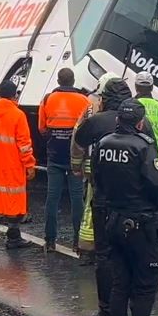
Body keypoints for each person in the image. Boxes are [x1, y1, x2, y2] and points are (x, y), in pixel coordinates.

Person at [92, 99, 158, 316]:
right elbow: (156, 185)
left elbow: (97, 180)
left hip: (112, 219)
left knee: (120, 283)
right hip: (139, 222)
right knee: (146, 283)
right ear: (139, 122)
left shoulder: (102, 145)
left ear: (117, 121)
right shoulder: (144, 146)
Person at [72, 77, 151, 316]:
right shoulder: (143, 124)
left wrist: (80, 170)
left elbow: (78, 144)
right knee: (135, 254)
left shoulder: (94, 122)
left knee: (105, 254)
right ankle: (132, 307)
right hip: (134, 201)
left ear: (104, 99)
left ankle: (107, 308)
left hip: (102, 197)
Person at [0, 80, 36, 249]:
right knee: (13, 199)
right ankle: (13, 237)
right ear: (14, 95)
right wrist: (29, 164)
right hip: (11, 164)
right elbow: (24, 144)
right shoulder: (17, 115)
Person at [38, 68, 91, 252]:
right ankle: (77, 241)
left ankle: (50, 241)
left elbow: (42, 129)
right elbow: (87, 128)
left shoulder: (47, 100)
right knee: (77, 198)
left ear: (58, 81)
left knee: (52, 198)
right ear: (73, 80)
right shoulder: (84, 100)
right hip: (75, 157)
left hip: (54, 155)